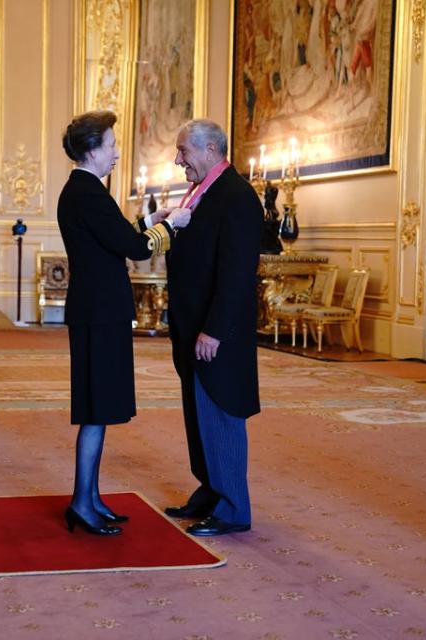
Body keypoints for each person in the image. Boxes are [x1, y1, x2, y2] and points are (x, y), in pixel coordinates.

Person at [57, 110, 190, 536]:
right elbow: (133, 249)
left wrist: (151, 220)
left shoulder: (84, 190)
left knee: (100, 407)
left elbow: (114, 236)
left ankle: (91, 498)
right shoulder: (87, 192)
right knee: (96, 409)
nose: (116, 153)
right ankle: (82, 502)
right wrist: (170, 224)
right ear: (93, 148)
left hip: (97, 309)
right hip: (99, 312)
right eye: (112, 145)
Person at [163, 119, 262, 536]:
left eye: (184, 151)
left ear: (209, 149)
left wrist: (214, 329)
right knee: (199, 415)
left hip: (216, 334)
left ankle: (233, 508)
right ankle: (209, 489)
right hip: (193, 326)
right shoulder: (204, 191)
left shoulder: (236, 196)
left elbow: (237, 274)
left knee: (220, 414)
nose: (178, 159)